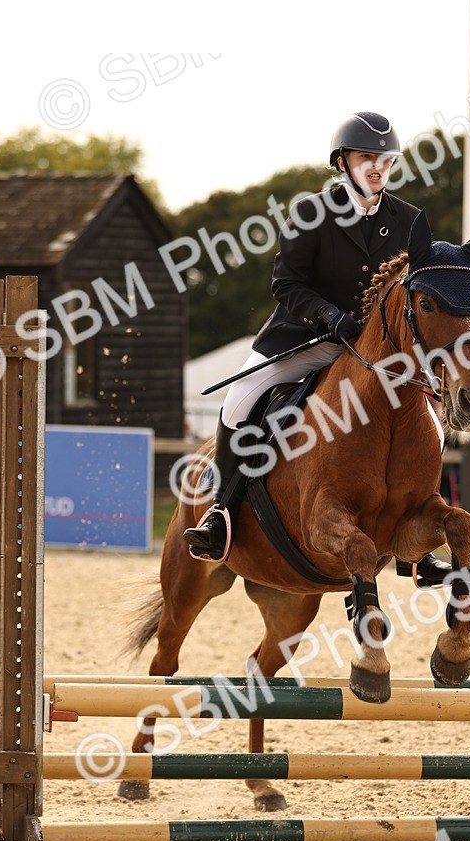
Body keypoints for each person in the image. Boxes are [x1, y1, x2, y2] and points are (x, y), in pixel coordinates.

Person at [183, 112, 452, 585]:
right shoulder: (311, 213)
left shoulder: (409, 221)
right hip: (304, 339)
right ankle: (220, 512)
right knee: (238, 402)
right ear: (342, 162)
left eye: (384, 160)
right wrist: (329, 316)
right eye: (366, 158)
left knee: (428, 414)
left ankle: (415, 543)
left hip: (378, 353)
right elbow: (286, 284)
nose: (376, 168)